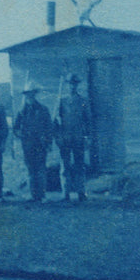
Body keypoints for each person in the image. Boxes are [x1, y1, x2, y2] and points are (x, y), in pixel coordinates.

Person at [54, 73, 92, 201]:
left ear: (77, 85)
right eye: (70, 84)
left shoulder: (83, 101)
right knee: (65, 165)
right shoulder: (62, 101)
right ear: (67, 85)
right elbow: (56, 121)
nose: (72, 86)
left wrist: (87, 137)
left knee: (79, 165)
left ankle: (81, 191)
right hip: (65, 138)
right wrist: (58, 136)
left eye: (74, 84)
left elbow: (88, 121)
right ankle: (66, 192)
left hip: (78, 137)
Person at [13, 81, 52, 202]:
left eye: (31, 94)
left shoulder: (43, 109)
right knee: (31, 169)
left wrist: (48, 142)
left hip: (40, 144)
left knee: (41, 170)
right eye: (27, 95)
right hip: (28, 145)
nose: (29, 97)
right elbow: (15, 128)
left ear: (35, 95)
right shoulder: (22, 111)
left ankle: (42, 195)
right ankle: (33, 194)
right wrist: (22, 135)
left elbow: (49, 128)